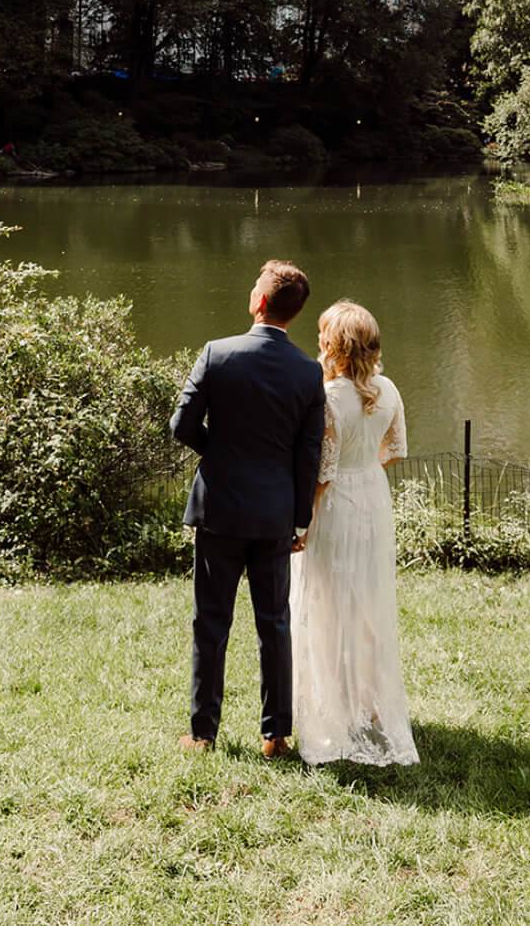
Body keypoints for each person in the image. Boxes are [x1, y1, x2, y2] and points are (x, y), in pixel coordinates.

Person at [170, 259, 325, 759]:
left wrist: (218, 452)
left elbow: (182, 426)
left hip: (220, 510)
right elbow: (308, 455)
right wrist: (299, 516)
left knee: (210, 622)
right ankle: (275, 734)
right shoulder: (308, 372)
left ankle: (202, 734)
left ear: (259, 301)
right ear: (293, 314)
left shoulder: (218, 354)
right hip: (274, 514)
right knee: (274, 623)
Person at [291, 300, 419, 767]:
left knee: (327, 600)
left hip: (339, 504)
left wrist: (303, 523)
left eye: (324, 334)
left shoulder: (326, 397)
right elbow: (398, 449)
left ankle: (333, 710)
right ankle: (366, 704)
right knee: (366, 600)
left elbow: (323, 473)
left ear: (334, 346)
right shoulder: (388, 389)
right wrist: (366, 465)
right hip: (373, 499)